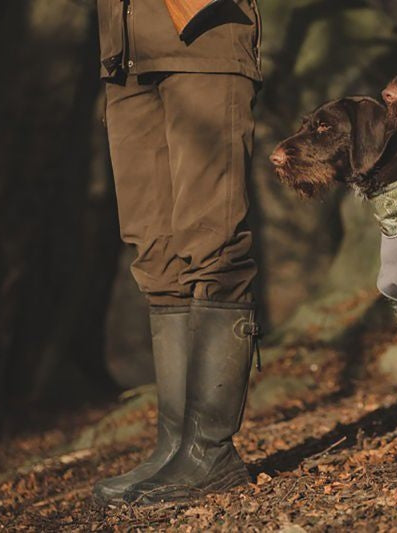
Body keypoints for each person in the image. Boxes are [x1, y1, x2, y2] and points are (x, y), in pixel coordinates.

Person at [94, 0, 262, 505]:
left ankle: (210, 451)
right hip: (124, 53)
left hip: (202, 39)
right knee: (155, 253)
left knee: (212, 241)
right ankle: (174, 446)